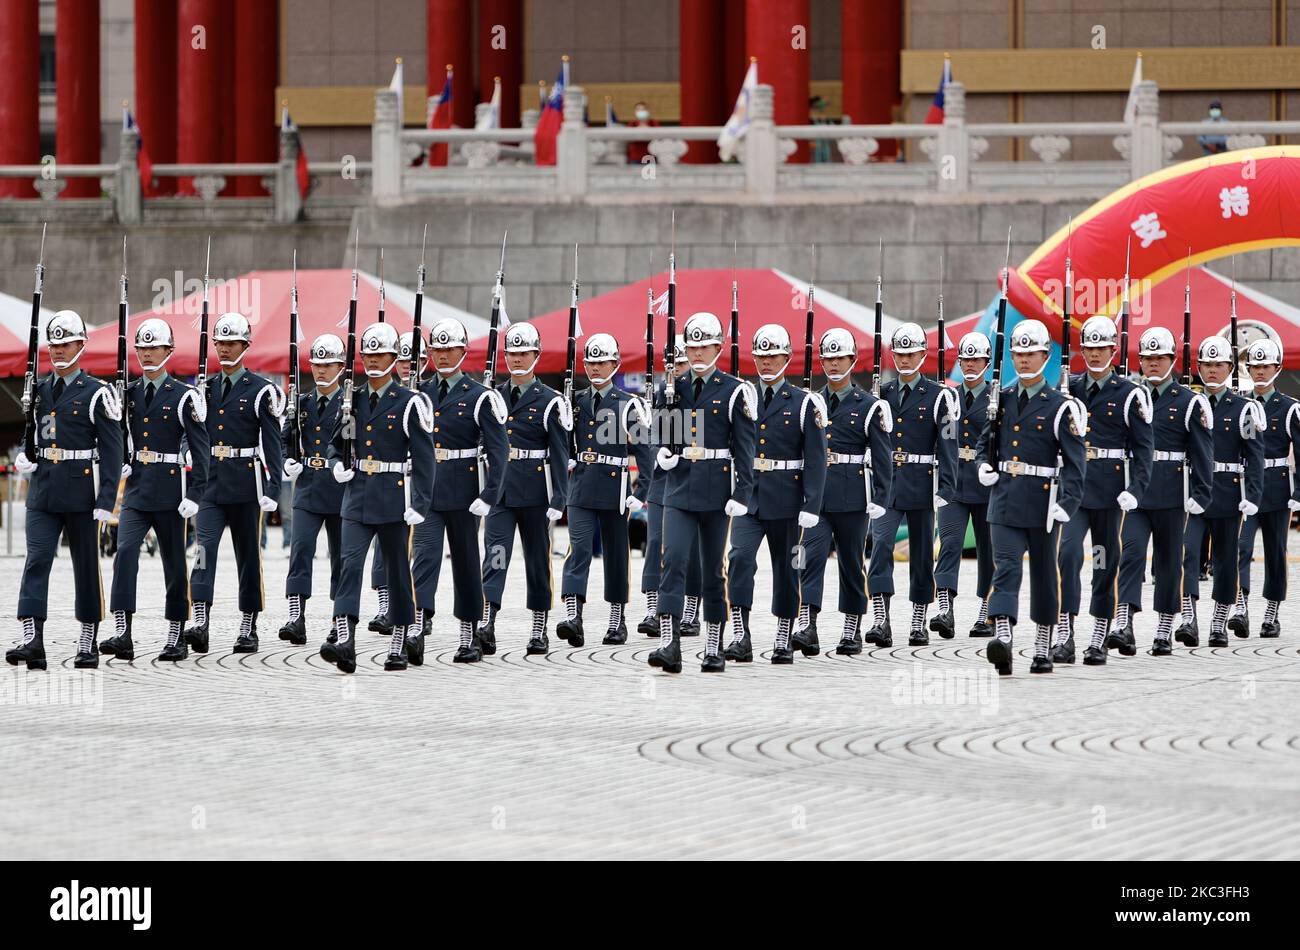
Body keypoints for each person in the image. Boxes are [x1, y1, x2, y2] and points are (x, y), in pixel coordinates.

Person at [7, 310, 124, 670]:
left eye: (66, 343)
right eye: (54, 344)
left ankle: (87, 640)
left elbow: (113, 450)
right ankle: (33, 639)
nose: (58, 350)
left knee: (86, 566)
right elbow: (33, 435)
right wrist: (26, 456)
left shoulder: (97, 393)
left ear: (81, 344)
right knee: (37, 560)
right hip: (43, 491)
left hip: (81, 492)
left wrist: (107, 500)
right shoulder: (40, 390)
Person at [320, 322, 434, 673]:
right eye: (367, 354)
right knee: (348, 567)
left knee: (398, 573)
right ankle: (346, 640)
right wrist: (336, 461)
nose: (372, 360)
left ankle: (399, 644)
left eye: (380, 354)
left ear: (393, 357)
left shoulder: (409, 403)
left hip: (393, 498)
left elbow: (425, 458)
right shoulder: (351, 401)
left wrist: (420, 503)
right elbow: (341, 442)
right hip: (356, 497)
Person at [975, 318, 1086, 675]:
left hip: (1043, 503)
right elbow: (983, 444)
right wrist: (982, 466)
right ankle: (1003, 638)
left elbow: (1075, 463)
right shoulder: (1002, 399)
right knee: (1004, 569)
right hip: (1005, 497)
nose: (1023, 360)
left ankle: (1042, 646)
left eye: (1031, 354)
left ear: (1045, 356)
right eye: (1018, 354)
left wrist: (1066, 504)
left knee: (1043, 574)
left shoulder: (1060, 406)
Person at [648, 311, 756, 674]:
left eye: (703, 346)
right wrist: (663, 450)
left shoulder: (733, 390)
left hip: (715, 488)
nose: (695, 353)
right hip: (678, 486)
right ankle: (669, 643)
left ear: (719, 346)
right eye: (691, 346)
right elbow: (667, 436)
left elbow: (744, 448)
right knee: (673, 559)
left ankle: (713, 646)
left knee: (712, 569)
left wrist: (742, 493)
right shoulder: (673, 387)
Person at [100, 318, 209, 662]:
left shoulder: (183, 396)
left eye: (154, 348)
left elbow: (201, 448)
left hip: (171, 492)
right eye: (142, 348)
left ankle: (176, 634)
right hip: (136, 490)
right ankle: (123, 632)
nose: (147, 354)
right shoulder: (126, 394)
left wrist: (195, 493)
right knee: (125, 555)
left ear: (168, 351)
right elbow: (115, 436)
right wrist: (122, 459)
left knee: (174, 565)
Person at [722, 324, 827, 666]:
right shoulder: (742, 397)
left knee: (788, 569)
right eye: (761, 356)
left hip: (788, 499)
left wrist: (812, 503)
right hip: (749, 497)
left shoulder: (803, 403)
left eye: (773, 356)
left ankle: (783, 637)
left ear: (786, 357)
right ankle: (741, 634)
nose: (766, 362)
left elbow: (815, 460)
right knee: (738, 561)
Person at [1053, 316, 1153, 665]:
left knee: (1103, 562)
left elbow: (1144, 449)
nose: (1095, 355)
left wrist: (1136, 489)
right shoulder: (1070, 388)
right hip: (1074, 492)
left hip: (1111, 495)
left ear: (1113, 350)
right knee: (1066, 556)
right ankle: (1064, 633)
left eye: (1101, 348)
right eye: (1089, 348)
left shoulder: (1129, 394)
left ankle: (1098, 635)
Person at [408, 318, 508, 664]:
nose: (444, 355)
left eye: (451, 349)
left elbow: (499, 451)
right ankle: (416, 629)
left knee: (466, 564)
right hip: (428, 490)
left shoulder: (480, 396)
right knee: (424, 559)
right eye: (438, 349)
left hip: (466, 492)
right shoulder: (419, 394)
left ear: (464, 351)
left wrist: (490, 494)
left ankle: (469, 636)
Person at [184, 313, 285, 655]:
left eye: (231, 343)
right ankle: (200, 619)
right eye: (220, 343)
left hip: (245, 484)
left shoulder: (260, 390)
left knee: (247, 556)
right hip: (211, 484)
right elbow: (189, 433)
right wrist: (187, 453)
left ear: (245, 345)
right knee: (202, 551)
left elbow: (273, 444)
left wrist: (273, 489)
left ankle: (248, 624)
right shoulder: (204, 389)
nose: (225, 349)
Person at [1112, 327, 1213, 656]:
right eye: (1147, 358)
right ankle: (1124, 622)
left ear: (1172, 359)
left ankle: (1164, 629)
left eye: (1159, 358)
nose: (1153, 363)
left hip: (1173, 493)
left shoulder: (1189, 401)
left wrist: (1201, 493)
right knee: (1131, 554)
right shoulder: (1130, 396)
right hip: (1137, 494)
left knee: (1170, 562)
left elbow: (1202, 453)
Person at [794, 327, 892, 656]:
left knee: (851, 564)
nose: (833, 364)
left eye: (840, 358)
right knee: (807, 559)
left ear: (853, 360)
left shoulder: (868, 405)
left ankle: (852, 629)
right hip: (816, 499)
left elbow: (882, 458)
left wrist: (880, 497)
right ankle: (807, 624)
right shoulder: (810, 402)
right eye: (828, 358)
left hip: (852, 497)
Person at [477, 322, 570, 656]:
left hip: (535, 494)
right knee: (495, 557)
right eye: (512, 353)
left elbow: (560, 453)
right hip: (500, 492)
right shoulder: (492, 397)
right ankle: (487, 622)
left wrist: (560, 497)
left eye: (523, 353)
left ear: (536, 355)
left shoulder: (550, 401)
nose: (517, 359)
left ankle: (539, 627)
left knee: (536, 560)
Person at [556, 333, 654, 646]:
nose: (596, 367)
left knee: (616, 554)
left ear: (615, 364)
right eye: (591, 362)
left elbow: (645, 451)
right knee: (578, 549)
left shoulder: (628, 404)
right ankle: (574, 615)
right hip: (582, 484)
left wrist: (641, 492)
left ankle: (616, 619)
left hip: (615, 486)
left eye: (602, 362)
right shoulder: (575, 401)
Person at [865, 322, 957, 647]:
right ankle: (881, 618)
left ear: (922, 354)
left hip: (920, 485)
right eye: (900, 353)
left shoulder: (938, 396)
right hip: (888, 485)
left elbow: (948, 446)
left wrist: (947, 488)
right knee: (880, 547)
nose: (905, 359)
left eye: (911, 353)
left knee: (920, 557)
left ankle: (918, 621)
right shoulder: (882, 394)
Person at [1177, 336, 1262, 647]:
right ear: (1199, 368)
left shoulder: (1245, 409)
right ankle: (1188, 616)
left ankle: (1218, 621)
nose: (1212, 370)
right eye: (1207, 365)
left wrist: (1251, 496)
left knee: (1226, 559)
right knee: (1187, 552)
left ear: (1230, 367)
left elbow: (1254, 455)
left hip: (1228, 492)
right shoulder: (1187, 404)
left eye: (1219, 364)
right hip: (1194, 492)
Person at [277, 333, 346, 646]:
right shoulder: (301, 403)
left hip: (340, 489)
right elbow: (284, 438)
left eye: (327, 365)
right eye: (317, 364)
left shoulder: (350, 403)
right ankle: (296, 615)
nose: (320, 370)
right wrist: (287, 459)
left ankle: (339, 618)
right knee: (300, 550)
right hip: (307, 486)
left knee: (341, 557)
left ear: (341, 367)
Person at [638, 339, 706, 639]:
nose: (677, 371)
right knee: (655, 544)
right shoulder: (660, 398)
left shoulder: (701, 396)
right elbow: (650, 436)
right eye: (672, 366)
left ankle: (690, 611)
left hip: (692, 480)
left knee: (690, 550)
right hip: (662, 481)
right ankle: (654, 608)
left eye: (681, 365)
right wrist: (659, 458)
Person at [1235, 338, 1300, 637]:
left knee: (1275, 551)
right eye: (1255, 366)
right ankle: (1240, 605)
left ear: (1277, 368)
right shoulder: (1240, 404)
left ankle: (1272, 613)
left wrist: (1298, 492)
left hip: (1275, 487)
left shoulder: (1289, 409)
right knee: (1241, 547)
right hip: (1245, 487)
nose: (1259, 372)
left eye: (1265, 366)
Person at [933, 331, 996, 639]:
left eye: (976, 359)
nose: (970, 365)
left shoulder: (998, 397)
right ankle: (945, 608)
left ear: (987, 362)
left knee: (989, 550)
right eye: (965, 359)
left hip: (986, 483)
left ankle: (986, 613)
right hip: (954, 479)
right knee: (950, 543)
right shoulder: (947, 397)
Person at [367, 330, 425, 637]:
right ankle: (384, 606)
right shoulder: (381, 392)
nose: (406, 365)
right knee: (383, 547)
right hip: (389, 479)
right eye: (400, 359)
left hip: (420, 478)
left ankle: (418, 610)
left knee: (415, 548)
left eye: (414, 360)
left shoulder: (424, 395)